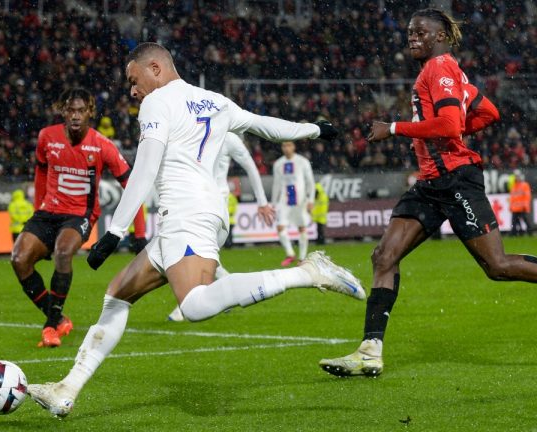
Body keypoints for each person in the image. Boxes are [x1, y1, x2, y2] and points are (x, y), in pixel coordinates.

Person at [27, 42, 363, 418]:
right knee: (117, 295)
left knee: (194, 305)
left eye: (133, 80)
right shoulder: (213, 100)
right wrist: (314, 129)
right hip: (195, 214)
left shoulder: (157, 103)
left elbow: (146, 167)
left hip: (188, 214)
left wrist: (114, 230)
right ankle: (67, 388)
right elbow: (263, 125)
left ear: (155, 67)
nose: (132, 91)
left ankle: (306, 273)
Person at [319, 8, 536, 378]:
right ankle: (370, 351)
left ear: (440, 36)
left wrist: (396, 127)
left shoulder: (438, 70)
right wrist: (453, 127)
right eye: (409, 32)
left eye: (420, 32)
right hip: (431, 183)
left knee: (496, 267)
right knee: (384, 255)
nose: (412, 38)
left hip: (456, 180)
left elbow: (452, 124)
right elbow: (488, 113)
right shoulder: (448, 72)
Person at [11, 88, 146, 348]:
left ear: (90, 113)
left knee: (63, 252)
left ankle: (50, 327)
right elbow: (40, 172)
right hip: (47, 212)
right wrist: (38, 206)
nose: (75, 116)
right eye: (70, 110)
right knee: (19, 259)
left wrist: (138, 233)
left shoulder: (102, 145)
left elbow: (133, 186)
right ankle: (59, 318)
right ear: (63, 112)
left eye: (81, 111)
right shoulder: (46, 137)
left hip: (79, 214)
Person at [166, 131, 276, 322]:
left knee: (197, 255)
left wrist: (262, 201)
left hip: (216, 203)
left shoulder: (228, 138)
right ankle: (226, 294)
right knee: (203, 257)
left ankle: (186, 307)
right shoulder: (195, 133)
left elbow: (251, 167)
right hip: (197, 201)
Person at [272, 141, 315, 265]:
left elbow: (310, 182)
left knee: (301, 227)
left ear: (294, 147)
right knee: (280, 227)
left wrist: (310, 199)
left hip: (300, 199)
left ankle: (302, 258)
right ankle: (290, 254)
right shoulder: (278, 164)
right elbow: (276, 184)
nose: (286, 148)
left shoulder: (302, 162)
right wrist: (274, 203)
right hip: (285, 199)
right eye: (284, 145)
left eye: (289, 145)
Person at [509, 169, 533, 236]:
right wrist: (511, 206)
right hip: (515, 208)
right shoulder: (514, 186)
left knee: (525, 220)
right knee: (514, 221)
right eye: (516, 176)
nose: (517, 178)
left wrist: (525, 206)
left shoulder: (524, 185)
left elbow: (527, 196)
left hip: (522, 207)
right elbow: (512, 198)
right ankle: (516, 233)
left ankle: (529, 232)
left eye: (518, 176)